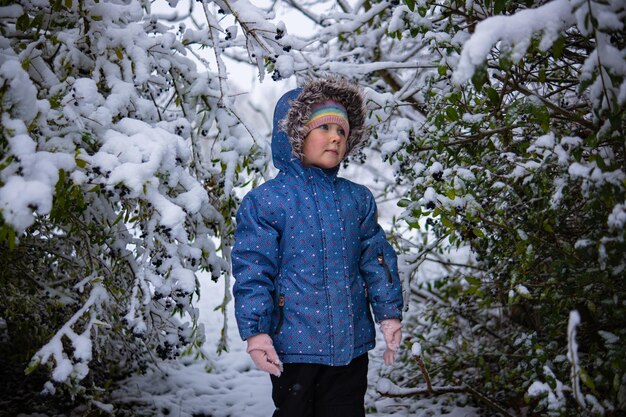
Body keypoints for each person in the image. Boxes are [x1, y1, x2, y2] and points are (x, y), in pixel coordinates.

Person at [231, 78, 403, 417]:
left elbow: (376, 258)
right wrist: (256, 333)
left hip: (350, 346)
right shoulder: (268, 202)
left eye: (342, 130)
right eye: (324, 127)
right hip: (294, 347)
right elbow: (253, 271)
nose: (336, 137)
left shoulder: (357, 199)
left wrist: (389, 313)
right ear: (296, 135)